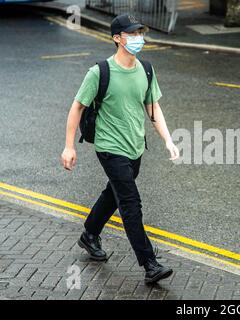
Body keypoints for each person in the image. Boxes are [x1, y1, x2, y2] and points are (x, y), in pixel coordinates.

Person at [60, 13, 179, 285]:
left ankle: (89, 234)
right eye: (132, 34)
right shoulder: (99, 72)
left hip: (135, 147)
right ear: (117, 38)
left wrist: (168, 140)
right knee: (130, 202)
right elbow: (77, 107)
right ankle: (149, 263)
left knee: (113, 194)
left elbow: (153, 108)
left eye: (140, 33)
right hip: (110, 148)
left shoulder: (146, 70)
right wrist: (69, 147)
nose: (139, 38)